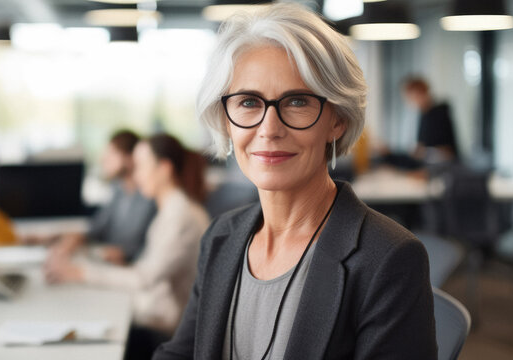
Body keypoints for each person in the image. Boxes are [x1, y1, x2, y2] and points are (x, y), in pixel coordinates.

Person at [153, 4, 437, 360]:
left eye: (298, 101)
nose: (269, 129)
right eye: (248, 102)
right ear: (226, 120)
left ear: (338, 121)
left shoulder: (389, 258)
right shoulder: (221, 237)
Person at [45, 134, 210, 357]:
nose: (136, 174)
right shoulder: (172, 209)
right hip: (162, 314)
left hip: (170, 329)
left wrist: (79, 272)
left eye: (141, 166)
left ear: (164, 168)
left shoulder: (179, 216)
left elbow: (144, 279)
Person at [49, 130, 156, 265]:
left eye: (111, 154)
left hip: (129, 267)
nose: (103, 159)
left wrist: (111, 252)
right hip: (109, 262)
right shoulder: (118, 190)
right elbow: (98, 227)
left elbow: (136, 247)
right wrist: (73, 238)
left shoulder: (148, 195)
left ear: (130, 158)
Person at [403, 76, 459, 164]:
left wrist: (423, 152)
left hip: (445, 167)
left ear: (422, 94)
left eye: (412, 97)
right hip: (429, 164)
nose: (411, 102)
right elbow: (421, 145)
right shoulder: (424, 115)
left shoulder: (439, 114)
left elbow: (447, 152)